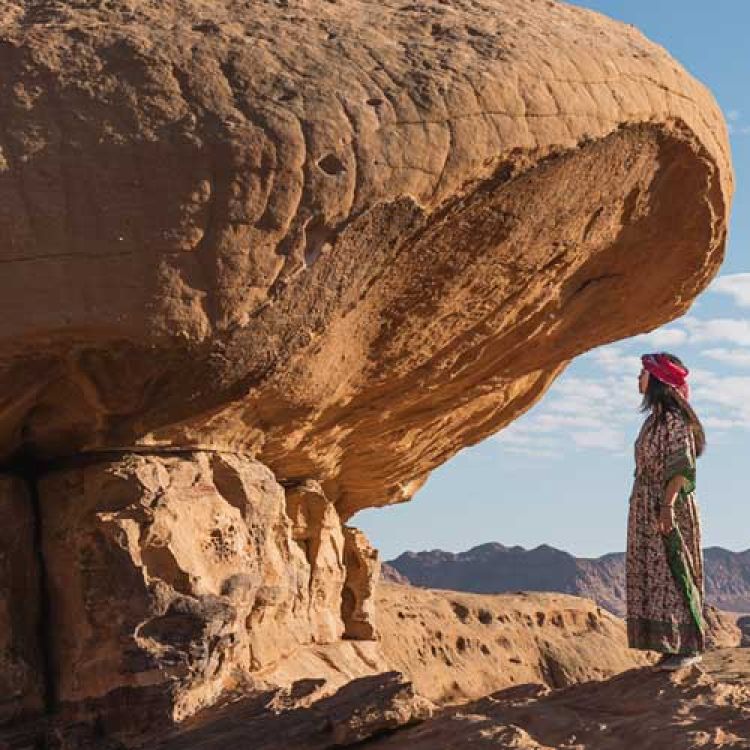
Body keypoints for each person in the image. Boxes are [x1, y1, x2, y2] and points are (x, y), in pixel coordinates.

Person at [627, 352, 706, 670]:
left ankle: (688, 647)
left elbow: (681, 467)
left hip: (667, 505)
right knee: (653, 572)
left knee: (675, 570)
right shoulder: (655, 420)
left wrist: (667, 507)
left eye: (642, 374)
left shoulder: (674, 420)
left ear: (658, 380)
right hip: (648, 505)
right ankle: (669, 646)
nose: (638, 379)